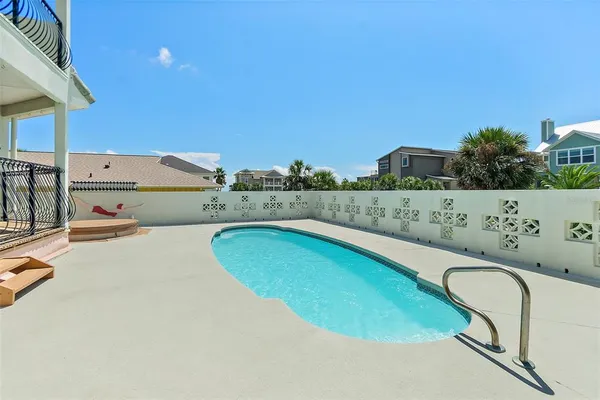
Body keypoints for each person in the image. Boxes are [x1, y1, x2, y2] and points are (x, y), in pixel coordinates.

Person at [74, 197, 144, 218]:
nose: (124, 208)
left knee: (82, 203)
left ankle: (74, 198)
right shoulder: (117, 210)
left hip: (97, 209)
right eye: (123, 207)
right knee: (82, 203)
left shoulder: (119, 210)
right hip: (97, 209)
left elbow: (129, 208)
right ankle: (74, 198)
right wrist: (138, 206)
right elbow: (128, 208)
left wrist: (138, 206)